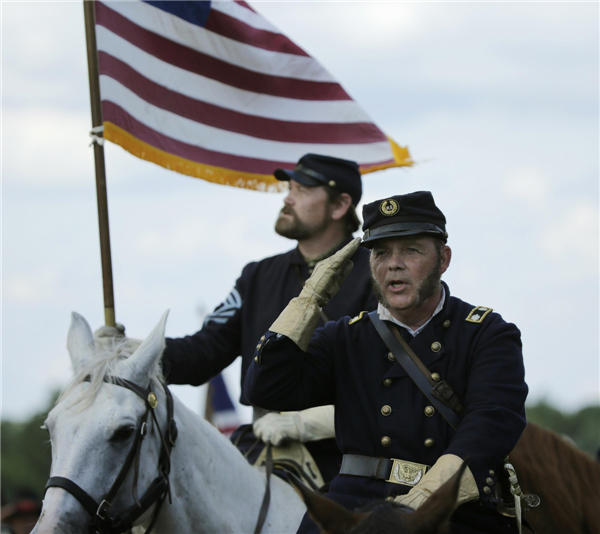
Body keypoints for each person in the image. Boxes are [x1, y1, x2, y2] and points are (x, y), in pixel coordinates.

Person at [245, 191, 528, 534]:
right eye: (381, 252)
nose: (394, 263)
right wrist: (309, 298)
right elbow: (266, 389)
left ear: (443, 259)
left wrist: (422, 501)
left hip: (451, 508)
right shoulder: (344, 337)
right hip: (353, 504)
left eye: (410, 250)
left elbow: (489, 428)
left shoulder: (487, 334)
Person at [98, 154, 377, 484]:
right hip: (261, 445)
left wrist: (304, 423)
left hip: (348, 455)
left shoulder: (376, 274)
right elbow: (204, 353)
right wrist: (130, 351)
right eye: (289, 188)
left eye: (301, 190)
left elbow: (381, 382)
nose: (287, 198)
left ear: (340, 205)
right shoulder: (257, 276)